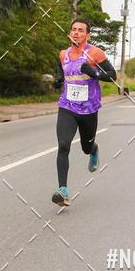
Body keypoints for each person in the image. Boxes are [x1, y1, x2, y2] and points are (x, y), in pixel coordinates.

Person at [51, 19, 117, 206]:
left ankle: (93, 149)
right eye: (73, 29)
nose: (76, 33)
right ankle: (63, 191)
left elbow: (112, 76)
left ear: (87, 35)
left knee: (85, 148)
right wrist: (59, 79)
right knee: (63, 145)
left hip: (89, 109)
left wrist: (93, 72)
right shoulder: (63, 54)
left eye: (80, 30)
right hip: (67, 106)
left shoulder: (95, 53)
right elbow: (61, 68)